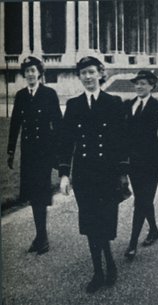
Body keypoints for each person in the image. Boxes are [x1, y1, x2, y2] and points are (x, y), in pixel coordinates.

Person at [58, 56, 129, 293]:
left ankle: (109, 259)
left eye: (91, 72)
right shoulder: (74, 105)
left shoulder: (114, 102)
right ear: (79, 77)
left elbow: (122, 141)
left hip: (108, 174)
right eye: (83, 73)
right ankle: (99, 271)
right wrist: (65, 174)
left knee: (105, 223)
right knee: (90, 224)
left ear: (100, 73)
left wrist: (122, 173)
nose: (88, 77)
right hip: (85, 175)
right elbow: (66, 142)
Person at [7, 56, 62, 255]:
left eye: (33, 70)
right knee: (32, 194)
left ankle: (42, 237)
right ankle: (40, 236)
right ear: (24, 74)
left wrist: (59, 152)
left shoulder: (49, 94)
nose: (30, 74)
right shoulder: (21, 95)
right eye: (27, 71)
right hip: (29, 152)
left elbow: (58, 123)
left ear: (39, 72)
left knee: (41, 193)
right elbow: (15, 123)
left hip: (44, 152)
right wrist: (11, 150)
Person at [123, 70, 158, 260]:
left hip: (151, 162)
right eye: (137, 83)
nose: (139, 87)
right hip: (133, 163)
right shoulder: (128, 105)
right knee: (144, 200)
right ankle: (153, 229)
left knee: (141, 202)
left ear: (152, 85)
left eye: (143, 83)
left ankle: (132, 244)